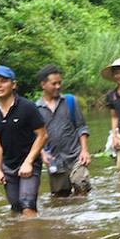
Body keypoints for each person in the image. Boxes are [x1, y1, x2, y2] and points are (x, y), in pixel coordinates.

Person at [0, 65, 48, 217]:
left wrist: (28, 161)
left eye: (3, 81)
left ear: (13, 84)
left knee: (27, 206)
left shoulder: (27, 107)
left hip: (30, 163)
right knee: (16, 208)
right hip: (8, 166)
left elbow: (42, 135)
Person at [36, 65, 92, 196]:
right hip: (55, 161)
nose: (58, 86)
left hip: (76, 156)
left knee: (82, 188)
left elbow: (81, 127)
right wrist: (43, 153)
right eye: (53, 84)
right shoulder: (36, 109)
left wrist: (84, 150)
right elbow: (36, 137)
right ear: (43, 85)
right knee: (60, 198)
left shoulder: (70, 101)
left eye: (59, 83)